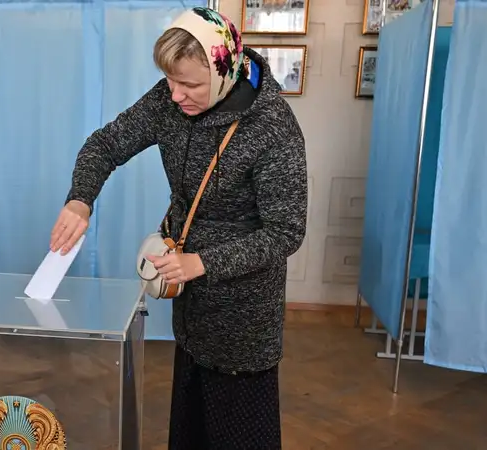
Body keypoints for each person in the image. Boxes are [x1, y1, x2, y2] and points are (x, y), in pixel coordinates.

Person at [49, 7, 307, 449]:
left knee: (239, 433)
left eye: (189, 85)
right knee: (190, 429)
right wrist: (80, 198)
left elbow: (285, 231)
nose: (175, 96)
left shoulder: (272, 126)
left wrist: (200, 262)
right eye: (170, 81)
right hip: (187, 303)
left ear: (223, 71)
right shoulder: (170, 100)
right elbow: (106, 143)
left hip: (243, 319)